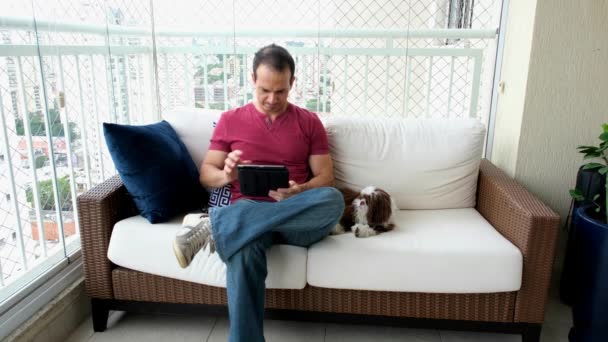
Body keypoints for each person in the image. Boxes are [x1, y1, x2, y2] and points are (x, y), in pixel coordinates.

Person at [172, 44, 344, 342]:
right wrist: (226, 175)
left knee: (333, 200)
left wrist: (299, 191)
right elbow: (206, 173)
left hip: (297, 217)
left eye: (281, 91)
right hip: (248, 218)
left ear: (292, 83)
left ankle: (216, 226)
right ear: (252, 79)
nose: (272, 99)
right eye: (265, 89)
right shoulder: (231, 120)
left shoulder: (309, 122)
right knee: (244, 249)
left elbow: (326, 177)